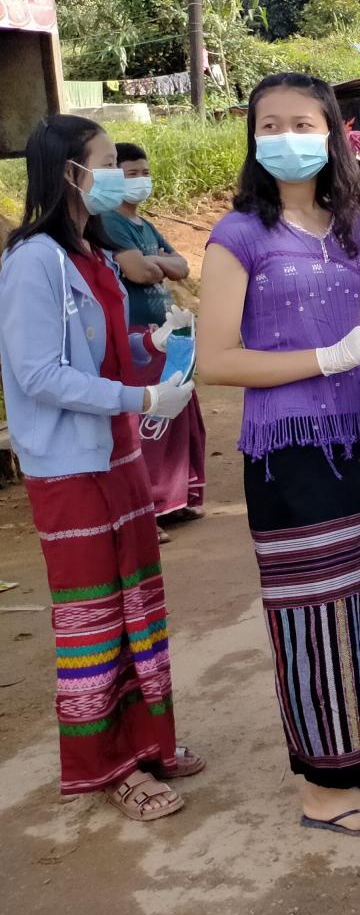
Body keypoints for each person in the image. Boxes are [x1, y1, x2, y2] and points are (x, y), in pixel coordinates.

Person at [196, 74, 360, 837]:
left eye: (302, 122)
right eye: (270, 124)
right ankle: (325, 785)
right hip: (289, 453)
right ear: (253, 138)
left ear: (331, 135)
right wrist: (328, 359)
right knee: (314, 613)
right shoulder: (238, 236)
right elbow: (215, 360)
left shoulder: (355, 232)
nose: (285, 136)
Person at [0, 115, 203, 822]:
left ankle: (149, 742)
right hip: (69, 466)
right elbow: (37, 373)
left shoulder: (91, 253)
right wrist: (138, 397)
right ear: (71, 172)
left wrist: (156, 345)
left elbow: (102, 353)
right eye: (109, 161)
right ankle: (110, 765)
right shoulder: (33, 261)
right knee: (93, 615)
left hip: (117, 453)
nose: (121, 175)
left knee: (136, 602)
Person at [102, 142, 207, 540]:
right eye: (131, 174)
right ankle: (145, 511)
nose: (140, 180)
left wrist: (156, 263)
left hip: (165, 334)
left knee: (175, 419)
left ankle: (171, 502)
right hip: (136, 338)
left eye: (144, 173)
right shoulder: (110, 223)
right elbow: (139, 272)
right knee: (147, 425)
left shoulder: (145, 226)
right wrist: (158, 265)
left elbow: (181, 267)